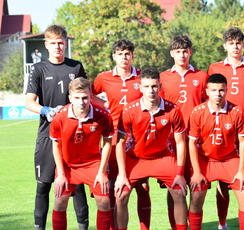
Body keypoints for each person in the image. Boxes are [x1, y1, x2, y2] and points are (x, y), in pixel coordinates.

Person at [25, 24, 89, 230]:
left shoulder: (76, 67)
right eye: (53, 43)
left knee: (78, 187)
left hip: (74, 137)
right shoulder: (38, 69)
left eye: (60, 43)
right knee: (43, 186)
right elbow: (29, 102)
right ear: (46, 45)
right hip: (47, 136)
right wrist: (46, 111)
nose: (57, 47)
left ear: (65, 43)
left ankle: (83, 227)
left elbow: (87, 97)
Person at [207, 27, 244, 230]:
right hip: (222, 131)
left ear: (243, 44)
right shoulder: (214, 68)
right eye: (231, 43)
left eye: (238, 42)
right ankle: (222, 224)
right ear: (225, 45)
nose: (235, 46)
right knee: (223, 182)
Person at [114, 68, 188, 230]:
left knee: (180, 191)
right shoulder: (129, 110)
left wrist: (180, 173)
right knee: (121, 195)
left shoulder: (173, 109)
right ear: (140, 88)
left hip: (163, 157)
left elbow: (181, 142)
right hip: (135, 158)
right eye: (146, 86)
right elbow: (119, 143)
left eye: (154, 86)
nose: (151, 90)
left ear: (160, 86)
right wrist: (121, 174)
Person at [92, 39, 151, 230]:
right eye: (119, 53)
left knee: (143, 187)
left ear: (132, 56)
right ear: (114, 56)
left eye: (127, 54)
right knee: (112, 188)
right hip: (113, 139)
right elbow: (90, 95)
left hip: (137, 141)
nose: (124, 57)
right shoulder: (104, 78)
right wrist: (104, 108)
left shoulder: (141, 77)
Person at [188, 74, 244, 230]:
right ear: (207, 91)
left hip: (229, 160)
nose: (218, 94)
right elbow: (191, 143)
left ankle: (224, 225)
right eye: (214, 90)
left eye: (221, 90)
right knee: (196, 198)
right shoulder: (198, 112)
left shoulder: (236, 111)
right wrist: (196, 172)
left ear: (227, 90)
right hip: (205, 160)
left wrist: (242, 170)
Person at [50, 77, 114, 230]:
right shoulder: (59, 117)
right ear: (70, 97)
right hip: (67, 165)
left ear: (91, 96)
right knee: (60, 201)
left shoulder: (102, 115)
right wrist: (60, 174)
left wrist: (102, 171)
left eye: (85, 97)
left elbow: (107, 143)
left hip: (92, 164)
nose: (81, 102)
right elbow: (55, 144)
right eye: (77, 98)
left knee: (104, 201)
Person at [160, 35, 208, 230]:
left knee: (197, 188)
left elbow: (208, 107)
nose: (182, 55)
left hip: (197, 142)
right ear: (172, 53)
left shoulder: (202, 76)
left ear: (190, 52)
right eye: (178, 51)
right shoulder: (163, 77)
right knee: (175, 189)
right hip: (172, 143)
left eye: (185, 51)